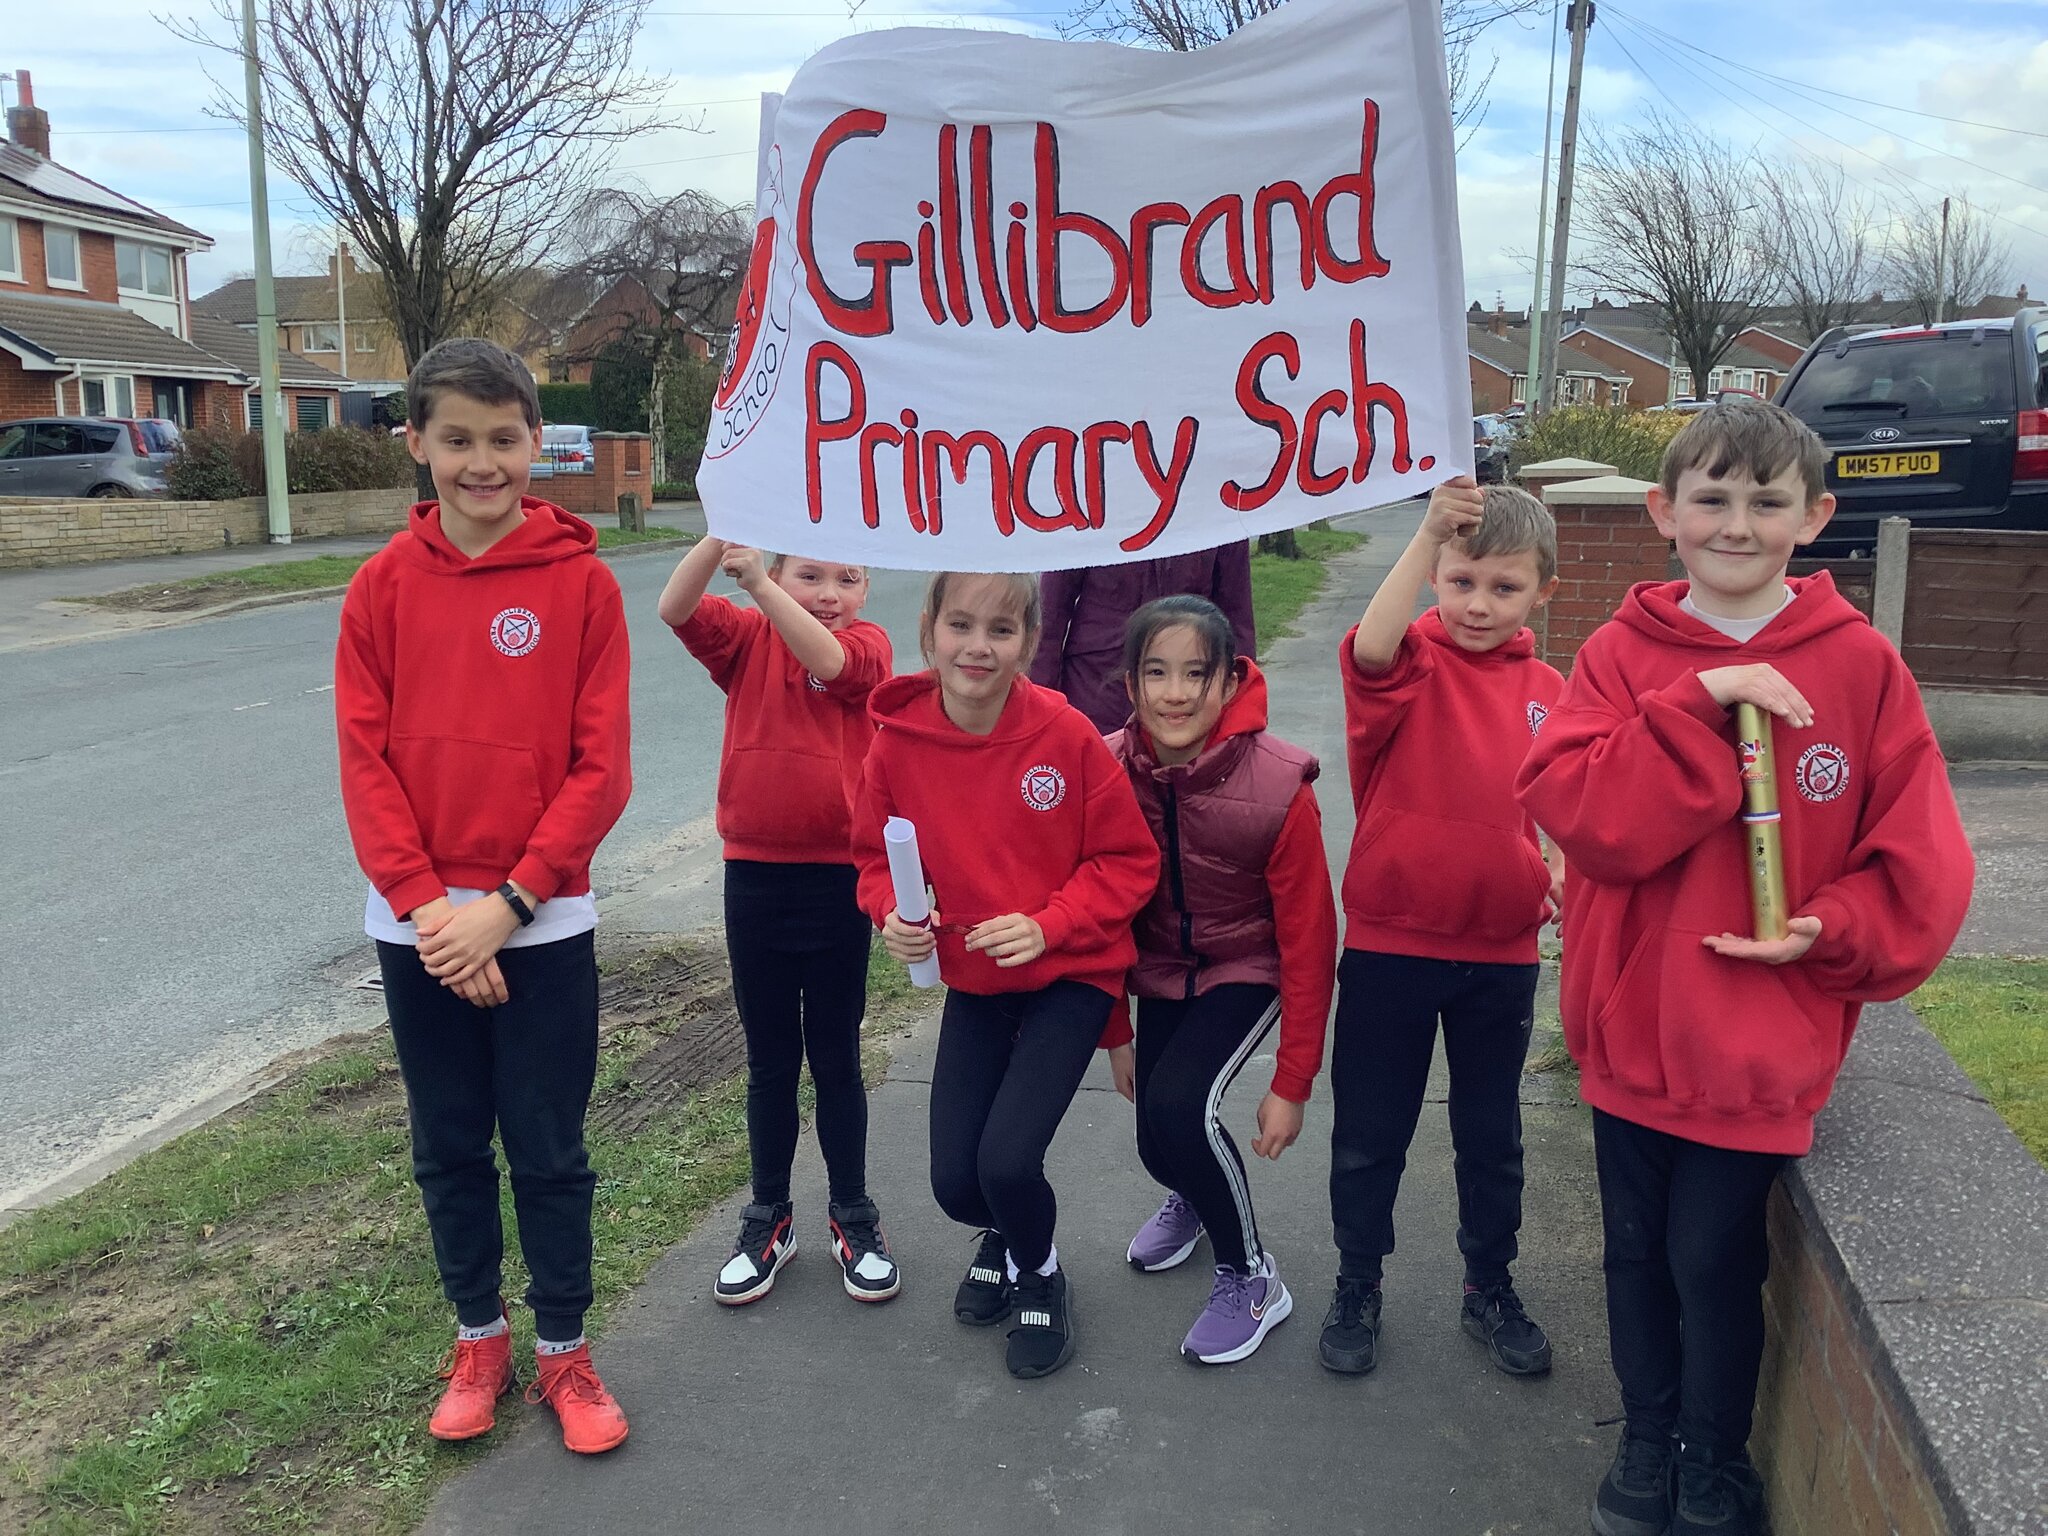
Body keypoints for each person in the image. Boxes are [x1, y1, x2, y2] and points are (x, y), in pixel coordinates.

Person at [1517, 400, 1973, 1536]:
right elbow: (1585, 816)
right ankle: (1645, 1439)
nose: (1734, 523)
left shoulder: (1860, 669)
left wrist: (1827, 926)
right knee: (1632, 1256)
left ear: (1813, 517)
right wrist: (1697, 700)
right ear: (1660, 513)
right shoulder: (1621, 657)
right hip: (1630, 1036)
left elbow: (1917, 857)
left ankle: (1712, 1458)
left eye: (1764, 501)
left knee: (1709, 1261)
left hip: (1759, 1042)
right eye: (1709, 499)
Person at [334, 338, 633, 1454]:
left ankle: (564, 1352)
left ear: (534, 446)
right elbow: (365, 767)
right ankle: (480, 1338)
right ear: (416, 444)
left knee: (547, 1145)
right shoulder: (378, 589)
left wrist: (503, 908)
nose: (480, 462)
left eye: (502, 439)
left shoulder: (583, 585)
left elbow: (599, 770)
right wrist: (428, 914)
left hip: (540, 920)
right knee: (448, 1143)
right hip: (415, 926)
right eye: (455, 439)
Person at [853, 572, 1158, 1379]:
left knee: (1008, 1162)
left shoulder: (1064, 734)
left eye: (1000, 630)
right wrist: (894, 913)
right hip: (977, 981)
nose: (978, 647)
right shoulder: (894, 740)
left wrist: (1049, 923)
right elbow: (873, 861)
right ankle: (1006, 1231)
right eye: (961, 625)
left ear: (1029, 640)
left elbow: (1129, 862)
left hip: (1073, 975)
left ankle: (1041, 1273)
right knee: (958, 1185)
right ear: (928, 630)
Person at [1320, 477, 1565, 1384]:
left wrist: (1563, 873)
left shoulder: (1554, 691)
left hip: (1499, 956)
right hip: (1391, 945)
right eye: (1461, 581)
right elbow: (1373, 643)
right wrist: (1428, 532)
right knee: (1371, 1133)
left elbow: (1567, 809)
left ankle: (1489, 1283)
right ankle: (1357, 1281)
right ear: (1434, 578)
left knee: (1491, 1135)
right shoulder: (1405, 664)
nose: (1477, 604)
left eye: (1504, 587)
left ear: (1543, 590)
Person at [657, 537, 899, 1307]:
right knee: (769, 1061)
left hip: (837, 879)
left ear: (866, 588)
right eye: (813, 573)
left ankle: (853, 1213)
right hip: (754, 876)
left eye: (848, 577)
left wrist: (764, 583)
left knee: (835, 1057)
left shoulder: (866, 644)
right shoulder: (745, 641)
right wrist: (721, 531)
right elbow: (675, 607)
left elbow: (831, 664)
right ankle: (769, 1214)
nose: (830, 590)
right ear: (785, 570)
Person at [1109, 595, 1337, 1364]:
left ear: (1229, 683)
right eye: (1157, 673)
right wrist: (1115, 1034)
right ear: (1131, 684)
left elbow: (1309, 941)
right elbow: (1097, 909)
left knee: (1182, 1107)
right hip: (1162, 972)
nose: (1176, 693)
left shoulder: (1278, 784)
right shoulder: (1106, 769)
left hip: (1249, 963)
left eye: (1196, 675)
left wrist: (1293, 1083)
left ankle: (1252, 1275)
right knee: (1156, 1137)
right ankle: (1198, 1197)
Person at [1032, 545, 1256, 732]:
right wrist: (1039, 706)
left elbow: (1237, 616)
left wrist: (1243, 708)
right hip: (1098, 685)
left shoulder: (1218, 504)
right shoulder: (1088, 497)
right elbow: (1050, 615)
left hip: (1189, 683)